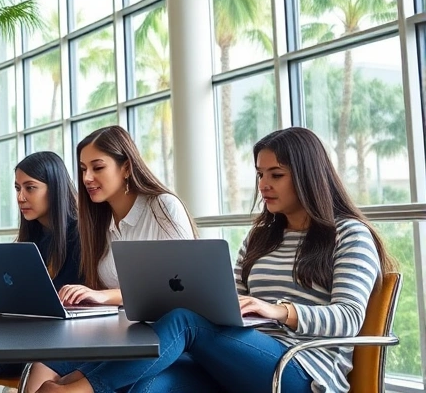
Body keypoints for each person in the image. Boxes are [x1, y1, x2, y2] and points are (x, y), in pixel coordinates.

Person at [33, 127, 392, 393]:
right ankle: (79, 381)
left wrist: (279, 310)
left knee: (185, 321)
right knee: (146, 388)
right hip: (231, 359)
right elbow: (225, 301)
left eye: (276, 175)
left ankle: (80, 388)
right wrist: (223, 303)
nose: (264, 184)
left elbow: (347, 319)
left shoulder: (349, 234)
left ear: (309, 176)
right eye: (260, 174)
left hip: (299, 368)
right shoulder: (261, 236)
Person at [24, 125, 197, 390]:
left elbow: (180, 289)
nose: (87, 178)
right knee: (42, 368)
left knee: (72, 382)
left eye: (98, 167)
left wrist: (105, 295)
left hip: (165, 339)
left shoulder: (163, 207)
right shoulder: (97, 222)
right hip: (118, 335)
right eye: (83, 169)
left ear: (126, 167)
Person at [0, 151, 82, 393]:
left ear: (54, 188)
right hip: (23, 337)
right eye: (17, 188)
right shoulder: (28, 241)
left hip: (60, 342)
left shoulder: (81, 236)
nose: (21, 197)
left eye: (30, 188)